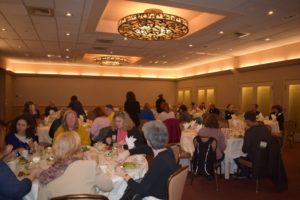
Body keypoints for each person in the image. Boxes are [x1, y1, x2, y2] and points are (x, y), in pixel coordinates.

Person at [38, 132, 113, 199]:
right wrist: (93, 164)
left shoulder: (46, 176)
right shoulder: (89, 165)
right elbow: (108, 186)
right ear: (77, 148)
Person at [115, 121, 177, 199]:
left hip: (156, 196)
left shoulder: (158, 162)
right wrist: (127, 152)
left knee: (125, 190)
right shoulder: (168, 151)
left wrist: (124, 174)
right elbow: (146, 148)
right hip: (164, 188)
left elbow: (141, 189)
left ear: (149, 141)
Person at [0, 120, 42, 200]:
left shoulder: (30, 136)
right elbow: (17, 190)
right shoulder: (11, 136)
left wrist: (33, 146)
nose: (20, 127)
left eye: (23, 125)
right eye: (18, 124)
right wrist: (33, 174)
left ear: (28, 126)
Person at [234, 111, 271, 177]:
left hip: (255, 158)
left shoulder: (249, 132)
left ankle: (245, 173)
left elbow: (245, 149)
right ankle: (252, 171)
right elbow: (264, 142)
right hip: (267, 155)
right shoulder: (265, 128)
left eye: (245, 121)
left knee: (234, 156)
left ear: (247, 120)